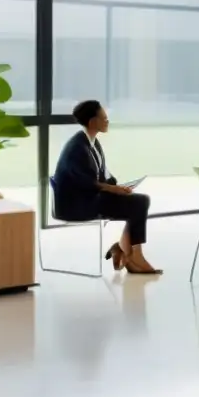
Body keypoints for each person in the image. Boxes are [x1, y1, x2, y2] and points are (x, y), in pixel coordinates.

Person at [53, 100, 161, 275]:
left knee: (138, 202)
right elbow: (84, 182)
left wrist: (119, 187)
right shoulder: (77, 147)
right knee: (139, 202)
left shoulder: (92, 143)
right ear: (92, 122)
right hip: (77, 205)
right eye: (104, 117)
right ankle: (131, 253)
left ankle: (126, 249)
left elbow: (102, 176)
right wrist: (114, 190)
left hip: (90, 198)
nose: (107, 121)